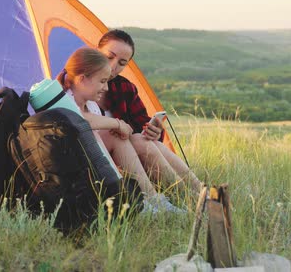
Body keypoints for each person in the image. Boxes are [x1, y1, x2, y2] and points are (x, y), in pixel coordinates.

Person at [55, 47, 184, 213]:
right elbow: (76, 119)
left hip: (101, 168)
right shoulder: (62, 100)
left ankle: (175, 196)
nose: (106, 88)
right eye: (102, 81)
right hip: (76, 174)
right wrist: (116, 123)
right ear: (82, 79)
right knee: (112, 135)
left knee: (130, 139)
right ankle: (148, 202)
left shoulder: (92, 105)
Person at [96, 30, 203, 197]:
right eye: (109, 57)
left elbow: (143, 126)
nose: (112, 66)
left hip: (127, 158)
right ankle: (190, 198)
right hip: (97, 160)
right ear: (96, 52)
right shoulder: (78, 81)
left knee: (149, 141)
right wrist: (118, 126)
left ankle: (202, 191)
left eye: (122, 63)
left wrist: (154, 132)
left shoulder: (124, 88)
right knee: (138, 141)